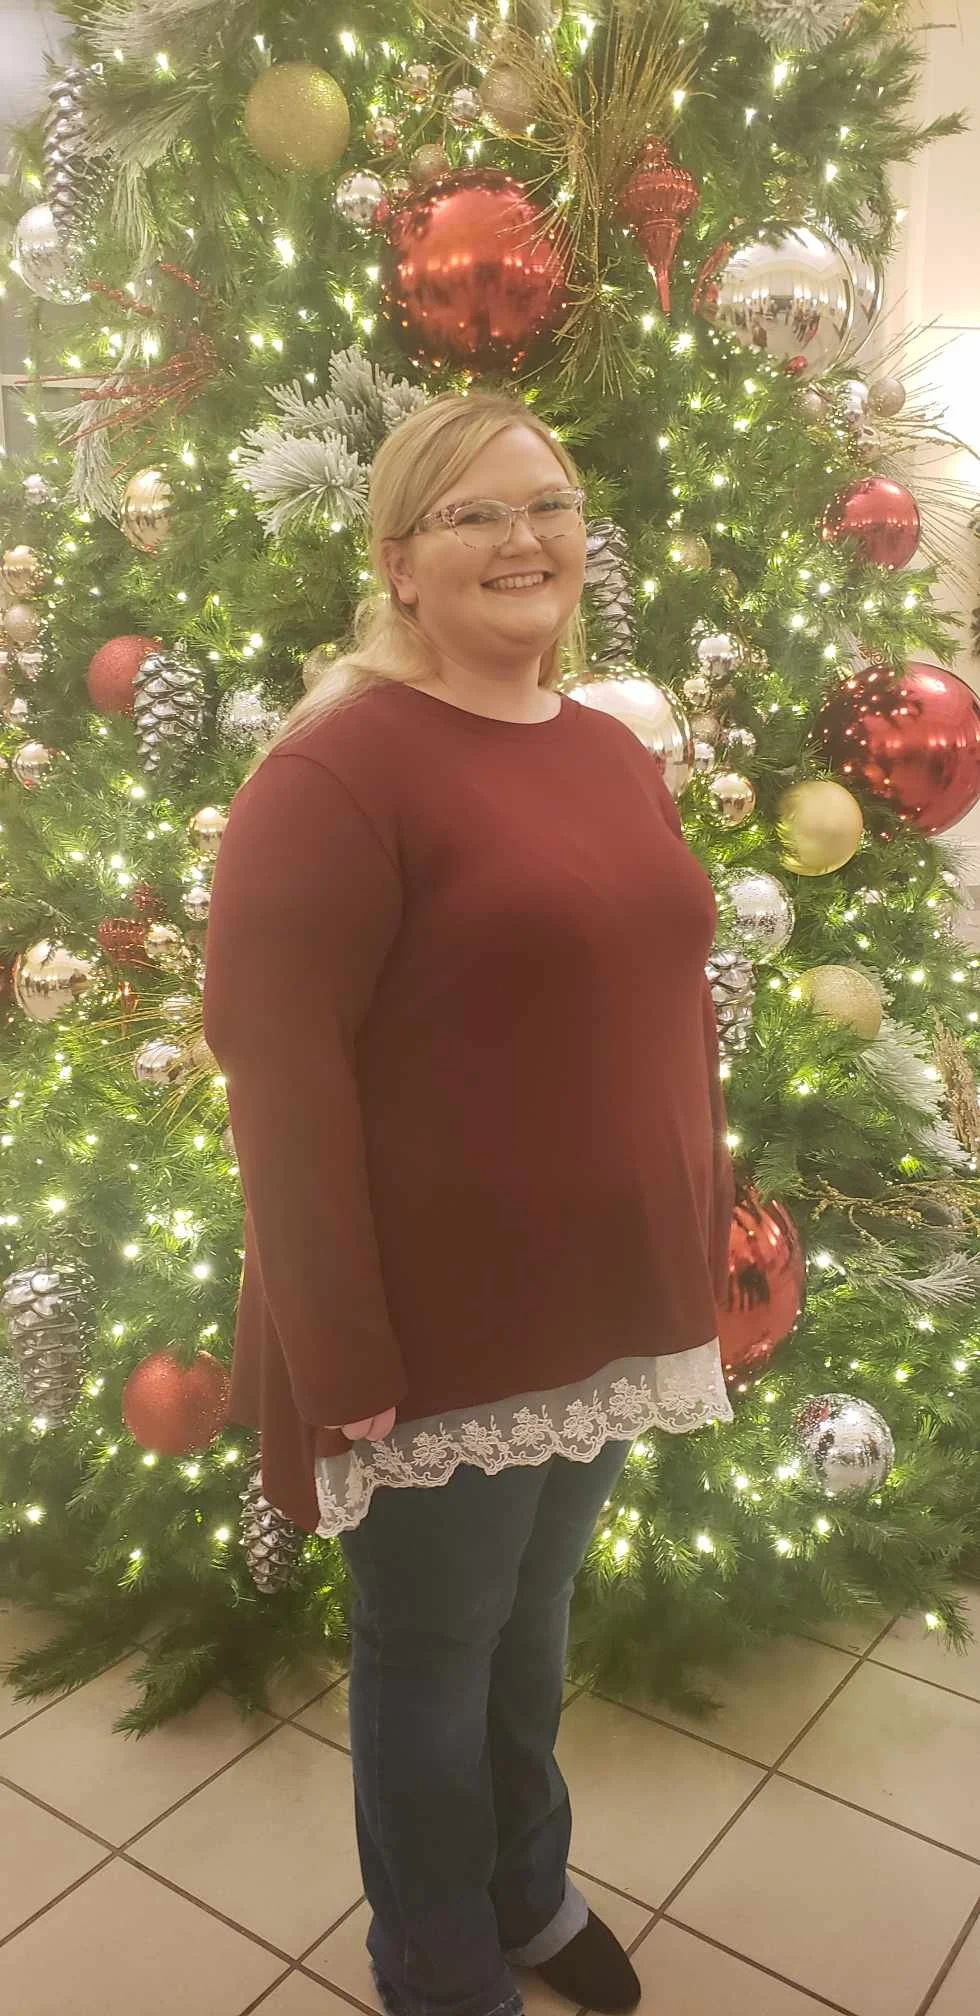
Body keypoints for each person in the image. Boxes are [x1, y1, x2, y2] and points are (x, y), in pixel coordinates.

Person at [202, 392, 736, 2016]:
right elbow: (279, 1076)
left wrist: (691, 1236)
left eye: (551, 505)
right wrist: (341, 1346)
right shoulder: (336, 771)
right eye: (476, 513)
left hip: (612, 1299)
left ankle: (527, 1889)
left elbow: (657, 1003)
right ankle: (436, 1959)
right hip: (437, 1327)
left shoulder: (610, 748)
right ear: (398, 562)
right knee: (433, 1658)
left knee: (531, 1623)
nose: (526, 540)